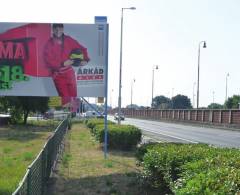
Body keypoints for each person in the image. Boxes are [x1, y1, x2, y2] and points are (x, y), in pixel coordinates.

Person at [44, 23, 90, 104]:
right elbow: (48, 61)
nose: (58, 31)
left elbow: (83, 48)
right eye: (56, 29)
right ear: (52, 30)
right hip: (58, 75)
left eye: (60, 28)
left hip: (70, 73)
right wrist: (62, 64)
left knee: (74, 96)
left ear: (63, 29)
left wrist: (86, 60)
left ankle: (73, 114)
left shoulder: (69, 40)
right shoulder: (49, 44)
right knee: (65, 99)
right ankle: (66, 114)